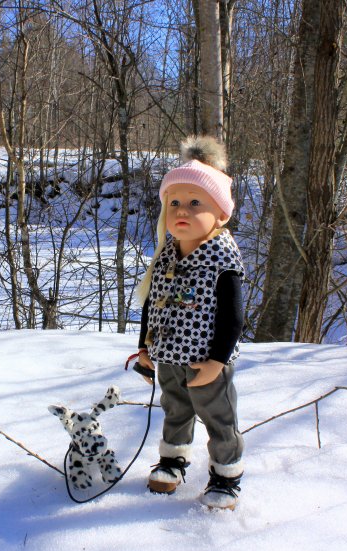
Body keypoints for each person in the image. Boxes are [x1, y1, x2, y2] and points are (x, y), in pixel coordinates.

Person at [134, 135, 245, 510]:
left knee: (219, 416)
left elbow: (233, 317)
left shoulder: (222, 259)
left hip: (206, 359)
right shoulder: (168, 252)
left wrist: (217, 360)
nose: (182, 210)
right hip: (168, 356)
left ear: (220, 212)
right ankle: (172, 460)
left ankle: (226, 476)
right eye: (175, 202)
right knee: (175, 408)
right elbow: (153, 301)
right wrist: (144, 347)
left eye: (195, 203)